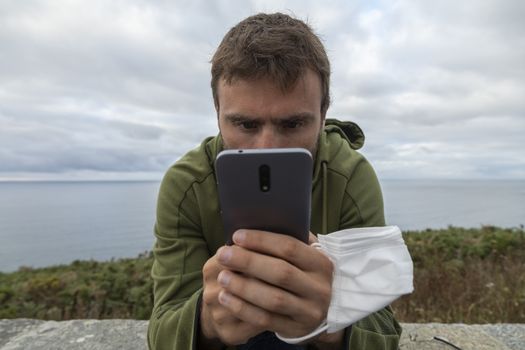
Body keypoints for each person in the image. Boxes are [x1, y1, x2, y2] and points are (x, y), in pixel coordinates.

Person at [148, 12, 402, 350]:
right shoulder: (186, 185)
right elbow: (162, 333)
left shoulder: (351, 178)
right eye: (245, 125)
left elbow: (383, 330)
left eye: (293, 124)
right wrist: (208, 319)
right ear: (217, 114)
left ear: (323, 116)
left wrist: (330, 323)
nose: (266, 148)